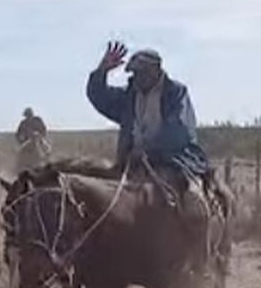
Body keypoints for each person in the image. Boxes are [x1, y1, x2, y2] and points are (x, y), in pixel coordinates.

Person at [86, 41, 210, 203]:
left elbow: (179, 131)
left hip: (173, 162)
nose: (137, 77)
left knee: (191, 199)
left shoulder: (175, 93)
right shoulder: (129, 96)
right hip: (132, 163)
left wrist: (148, 150)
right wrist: (102, 70)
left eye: (142, 72)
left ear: (155, 70)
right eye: (135, 73)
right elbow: (100, 97)